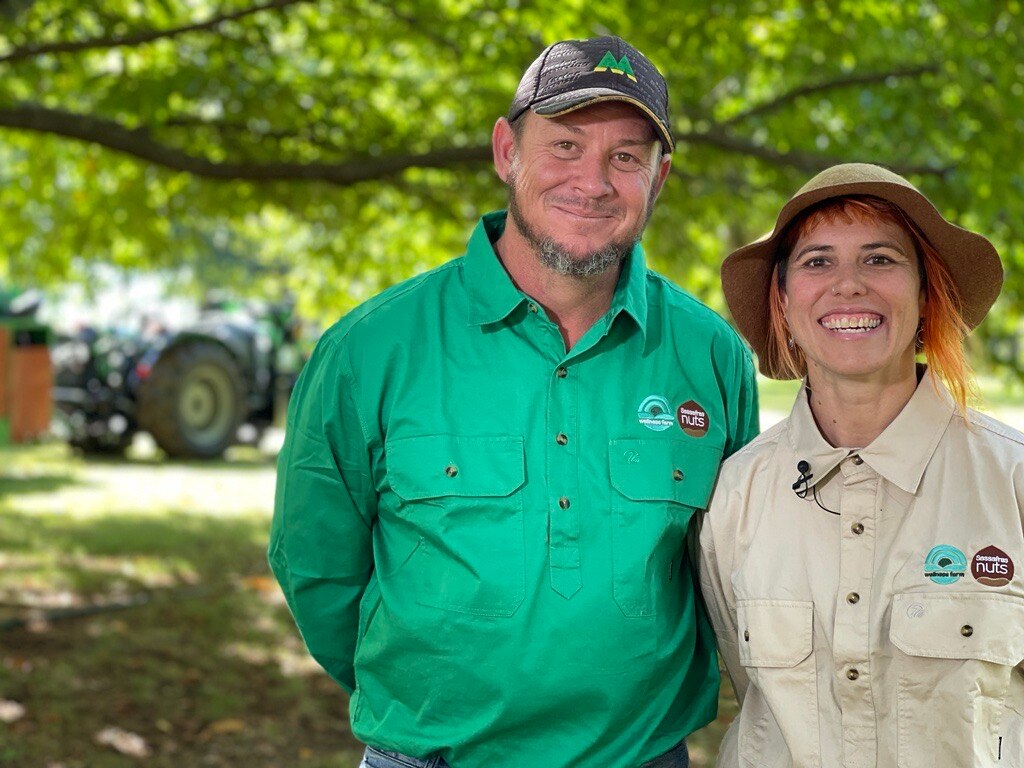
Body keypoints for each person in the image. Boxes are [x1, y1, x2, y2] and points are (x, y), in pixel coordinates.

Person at [269, 35, 759, 768]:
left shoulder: (710, 354)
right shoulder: (371, 348)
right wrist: (422, 702)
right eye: (565, 145)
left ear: (658, 179)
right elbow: (315, 566)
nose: (593, 181)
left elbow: (731, 572)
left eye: (626, 156)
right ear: (507, 152)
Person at [700, 162, 1024, 768]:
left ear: (926, 294)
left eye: (880, 259)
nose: (848, 285)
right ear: (783, 302)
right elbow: (749, 690)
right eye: (817, 261)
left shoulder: (1012, 481)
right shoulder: (735, 496)